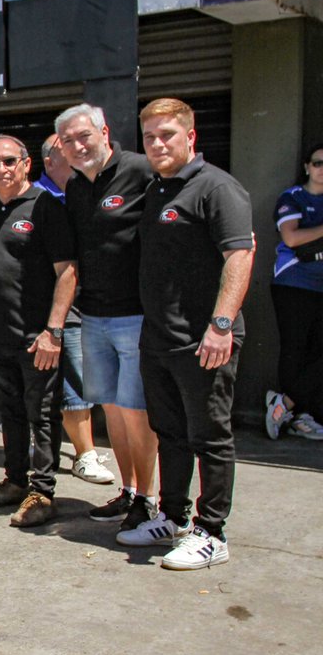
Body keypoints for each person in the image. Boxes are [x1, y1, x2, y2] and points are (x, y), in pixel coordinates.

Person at [117, 98, 254, 570]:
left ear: (191, 137)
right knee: (170, 433)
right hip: (158, 339)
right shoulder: (157, 189)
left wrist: (220, 326)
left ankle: (212, 532)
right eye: (150, 136)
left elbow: (240, 255)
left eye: (167, 135)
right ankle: (172, 518)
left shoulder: (217, 188)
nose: (157, 144)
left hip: (204, 342)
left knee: (210, 438)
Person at [55, 103, 158, 528]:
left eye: (85, 136)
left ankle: (150, 500)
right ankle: (129, 491)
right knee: (112, 411)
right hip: (94, 316)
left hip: (135, 315)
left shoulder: (141, 170)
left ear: (105, 131)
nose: (78, 146)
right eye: (68, 141)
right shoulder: (77, 187)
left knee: (137, 412)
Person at [0, 135, 77, 528]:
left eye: (9, 161)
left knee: (43, 416)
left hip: (38, 339)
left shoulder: (46, 207)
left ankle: (43, 492)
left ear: (26, 163)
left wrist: (53, 331)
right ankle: (15, 482)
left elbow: (67, 272)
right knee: (10, 413)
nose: (2, 170)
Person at [35, 133, 115, 487]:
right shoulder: (38, 198)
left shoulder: (81, 193)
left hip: (89, 302)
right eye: (66, 149)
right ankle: (83, 454)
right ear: (50, 160)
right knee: (73, 381)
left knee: (87, 377)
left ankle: (84, 449)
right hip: (52, 307)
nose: (78, 153)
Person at [265, 142, 323, 441]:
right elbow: (292, 236)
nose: (322, 170)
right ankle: (294, 414)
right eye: (317, 163)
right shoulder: (293, 197)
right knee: (295, 351)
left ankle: (287, 405)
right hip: (295, 284)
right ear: (306, 167)